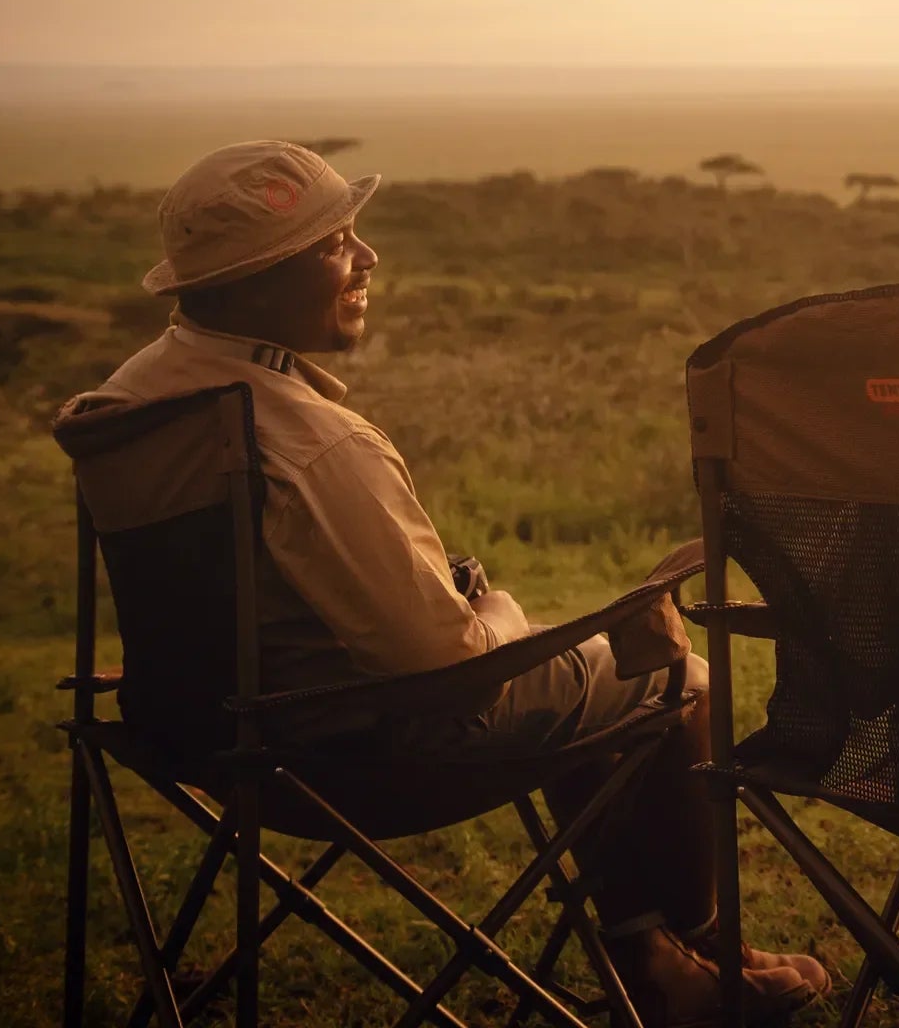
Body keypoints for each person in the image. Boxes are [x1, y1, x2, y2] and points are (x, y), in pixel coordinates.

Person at [66, 140, 827, 1027]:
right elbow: (446, 667)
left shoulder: (131, 399)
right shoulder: (311, 440)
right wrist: (497, 610)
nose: (367, 257)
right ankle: (709, 959)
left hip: (207, 739)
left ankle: (654, 962)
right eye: (335, 244)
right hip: (357, 756)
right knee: (670, 674)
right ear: (259, 279)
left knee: (581, 682)